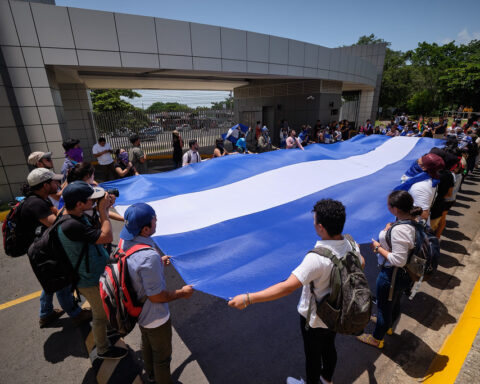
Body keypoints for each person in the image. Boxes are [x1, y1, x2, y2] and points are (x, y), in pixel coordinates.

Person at [229, 199, 364, 384]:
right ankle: (327, 380)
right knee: (329, 347)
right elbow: (361, 263)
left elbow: (287, 287)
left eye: (315, 221)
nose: (314, 224)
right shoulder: (351, 243)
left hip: (316, 319)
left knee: (313, 356)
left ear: (321, 227)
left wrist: (248, 298)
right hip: (339, 312)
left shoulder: (316, 259)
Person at [120, 203, 194, 383]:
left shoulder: (126, 241)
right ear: (146, 229)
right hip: (155, 316)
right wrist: (182, 292)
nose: (157, 222)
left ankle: (151, 375)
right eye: (154, 221)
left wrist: (158, 263)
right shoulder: (148, 257)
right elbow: (156, 296)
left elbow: (136, 267)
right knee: (162, 357)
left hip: (138, 310)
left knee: (147, 342)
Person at [58, 181, 127, 360]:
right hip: (88, 279)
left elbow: (93, 231)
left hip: (93, 272)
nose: (93, 201)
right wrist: (103, 211)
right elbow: (107, 236)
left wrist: (101, 208)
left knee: (104, 309)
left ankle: (109, 332)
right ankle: (103, 349)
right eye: (90, 199)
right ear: (79, 204)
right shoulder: (70, 225)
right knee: (100, 314)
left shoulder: (75, 215)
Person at [21, 168, 91, 328]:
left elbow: (58, 212)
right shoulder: (36, 204)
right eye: (54, 182)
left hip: (41, 248)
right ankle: (76, 313)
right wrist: (73, 203)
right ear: (45, 185)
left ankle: (45, 314)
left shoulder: (40, 199)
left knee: (49, 281)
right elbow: (57, 223)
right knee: (62, 281)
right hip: (43, 250)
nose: (57, 184)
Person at [357, 190, 421, 349]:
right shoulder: (413, 221)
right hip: (404, 275)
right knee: (395, 301)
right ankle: (389, 326)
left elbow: (398, 260)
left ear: (396, 209)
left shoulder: (400, 230)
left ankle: (377, 338)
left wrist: (378, 248)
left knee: (384, 307)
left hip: (392, 275)